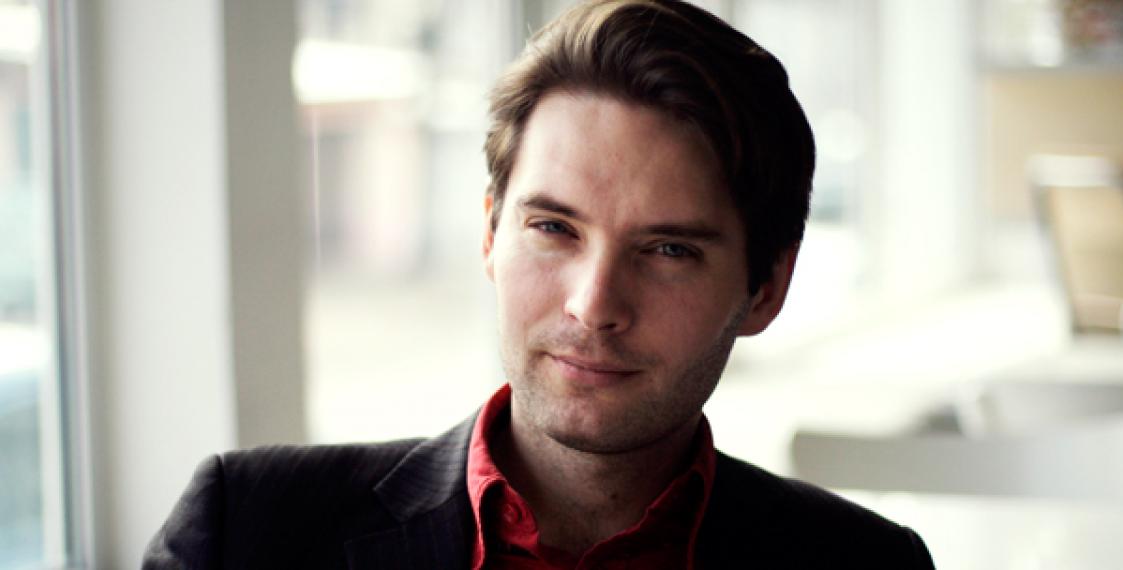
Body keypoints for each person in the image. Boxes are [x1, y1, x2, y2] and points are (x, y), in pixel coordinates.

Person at [144, 1, 936, 568]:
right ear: (491, 234)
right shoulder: (246, 530)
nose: (593, 305)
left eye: (667, 250)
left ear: (764, 288)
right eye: (554, 228)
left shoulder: (866, 563)